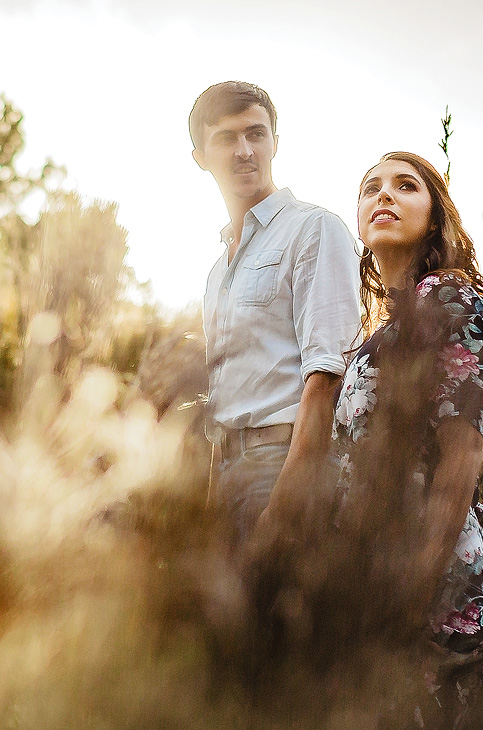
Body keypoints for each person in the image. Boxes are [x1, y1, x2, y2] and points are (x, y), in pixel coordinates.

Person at [336, 151, 483, 676]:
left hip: (433, 591)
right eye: (371, 188)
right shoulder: (381, 331)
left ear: (435, 218)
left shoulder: (449, 295)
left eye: (405, 186)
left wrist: (413, 595)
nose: (383, 195)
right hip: (377, 579)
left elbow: (462, 458)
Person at [189, 82, 361, 553]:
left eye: (256, 134)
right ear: (200, 156)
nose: (245, 151)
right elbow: (222, 394)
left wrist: (282, 512)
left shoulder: (314, 228)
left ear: (275, 144)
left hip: (281, 466)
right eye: (226, 138)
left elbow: (327, 376)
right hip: (225, 472)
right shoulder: (216, 271)